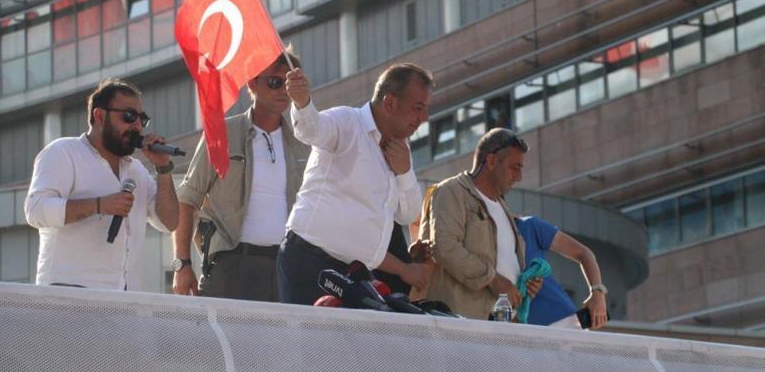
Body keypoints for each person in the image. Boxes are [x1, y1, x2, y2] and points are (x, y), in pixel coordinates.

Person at [278, 63, 434, 305]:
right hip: (311, 262)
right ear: (390, 103)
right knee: (308, 342)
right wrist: (302, 103)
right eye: (418, 108)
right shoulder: (347, 122)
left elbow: (407, 214)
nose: (423, 118)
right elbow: (311, 129)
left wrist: (404, 172)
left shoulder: (401, 149)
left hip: (356, 274)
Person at [173, 49, 310, 301]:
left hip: (286, 267)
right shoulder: (222, 133)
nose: (283, 90)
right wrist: (182, 264)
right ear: (253, 83)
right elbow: (188, 198)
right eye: (275, 82)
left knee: (283, 342)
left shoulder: (303, 143)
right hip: (230, 266)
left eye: (290, 83)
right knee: (222, 341)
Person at [25, 78, 179, 290]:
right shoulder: (63, 152)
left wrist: (163, 169)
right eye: (129, 116)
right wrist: (99, 205)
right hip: (69, 292)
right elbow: (36, 210)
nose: (136, 126)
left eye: (141, 119)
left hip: (124, 298)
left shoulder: (137, 170)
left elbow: (169, 222)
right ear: (99, 115)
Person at [417, 128, 542, 320]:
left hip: (503, 326)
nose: (519, 177)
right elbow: (445, 247)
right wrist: (492, 279)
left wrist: (524, 284)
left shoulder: (503, 207)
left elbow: (505, 264)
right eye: (514, 168)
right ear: (491, 161)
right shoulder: (451, 192)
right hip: (462, 327)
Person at [514, 214, 608, 329]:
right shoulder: (487, 245)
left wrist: (597, 292)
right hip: (518, 336)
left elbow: (583, 253)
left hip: (565, 324)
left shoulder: (527, 226)